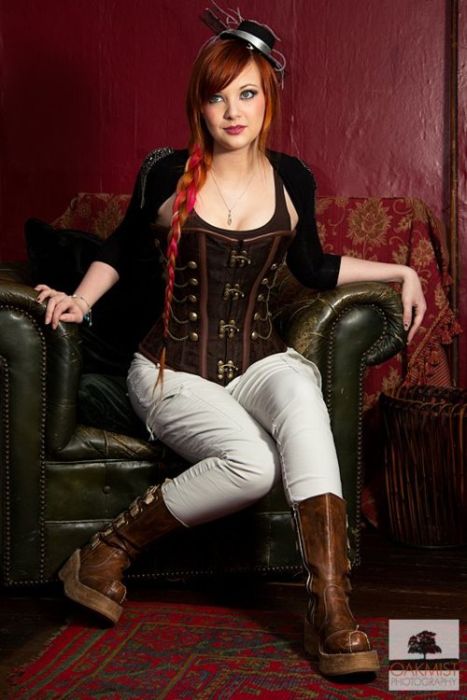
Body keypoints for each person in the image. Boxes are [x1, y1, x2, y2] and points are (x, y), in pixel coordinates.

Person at [35, 13, 426, 678]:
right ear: (200, 105)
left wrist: (400, 271)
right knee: (252, 465)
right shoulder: (167, 172)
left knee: (298, 390)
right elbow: (121, 248)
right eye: (217, 97)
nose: (233, 111)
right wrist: (80, 300)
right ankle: (105, 552)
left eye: (247, 93)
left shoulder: (292, 178)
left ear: (269, 98)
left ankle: (332, 609)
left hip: (257, 360)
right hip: (171, 368)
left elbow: (311, 267)